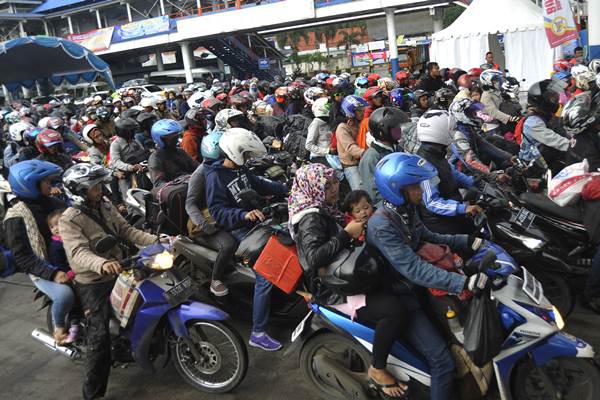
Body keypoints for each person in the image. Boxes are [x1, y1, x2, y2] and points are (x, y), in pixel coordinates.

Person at [368, 152, 488, 400]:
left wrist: (468, 242)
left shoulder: (405, 210)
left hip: (417, 289)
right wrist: (462, 282)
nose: (422, 192)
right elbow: (413, 268)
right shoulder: (382, 224)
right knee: (443, 361)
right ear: (396, 189)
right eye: (415, 187)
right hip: (401, 298)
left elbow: (428, 236)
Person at [290, 163, 408, 399]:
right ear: (313, 187)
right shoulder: (310, 219)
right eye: (328, 185)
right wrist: (345, 234)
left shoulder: (323, 209)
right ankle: (378, 368)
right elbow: (312, 259)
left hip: (345, 276)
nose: (335, 188)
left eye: (334, 182)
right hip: (333, 289)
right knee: (394, 310)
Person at [59, 163, 156, 400]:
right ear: (79, 191)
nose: (100, 188)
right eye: (95, 186)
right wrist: (101, 264)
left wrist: (160, 240)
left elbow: (128, 231)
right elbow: (78, 252)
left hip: (121, 268)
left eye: (100, 184)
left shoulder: (105, 204)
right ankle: (93, 394)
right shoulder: (69, 219)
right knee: (99, 337)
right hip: (93, 281)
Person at [204, 128, 288, 351]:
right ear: (234, 152)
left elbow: (260, 184)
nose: (249, 159)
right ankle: (258, 332)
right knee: (266, 276)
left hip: (257, 223)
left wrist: (289, 188)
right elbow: (217, 212)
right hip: (240, 230)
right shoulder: (215, 176)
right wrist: (243, 214)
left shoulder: (241, 169)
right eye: (246, 154)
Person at [4, 160, 75, 345]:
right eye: (46, 182)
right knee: (64, 295)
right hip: (42, 268)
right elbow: (22, 257)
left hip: (71, 259)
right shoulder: (15, 217)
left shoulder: (55, 203)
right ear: (29, 185)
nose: (50, 185)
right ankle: (59, 329)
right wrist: (52, 273)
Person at [185, 131, 237, 296]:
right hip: (206, 223)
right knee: (228, 245)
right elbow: (190, 203)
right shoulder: (201, 173)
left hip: (222, 214)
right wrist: (205, 225)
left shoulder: (226, 168)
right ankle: (216, 279)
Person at [416, 110, 482, 235]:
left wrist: (476, 182)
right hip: (442, 223)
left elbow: (453, 173)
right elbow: (432, 202)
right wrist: (463, 208)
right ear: (440, 132)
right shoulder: (424, 164)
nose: (453, 132)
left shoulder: (437, 154)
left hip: (454, 214)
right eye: (451, 129)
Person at [450, 98, 514, 175]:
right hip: (463, 174)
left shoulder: (468, 130)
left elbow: (486, 146)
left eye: (473, 112)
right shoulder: (458, 136)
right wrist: (492, 175)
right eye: (469, 112)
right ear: (460, 114)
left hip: (475, 169)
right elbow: (470, 161)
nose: (473, 115)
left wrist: (509, 157)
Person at [519, 79, 570, 175]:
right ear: (542, 100)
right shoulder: (533, 122)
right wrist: (577, 147)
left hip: (546, 158)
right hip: (534, 166)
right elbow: (555, 140)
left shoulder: (546, 115)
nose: (555, 100)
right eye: (552, 98)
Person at [358, 107, 407, 204]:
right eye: (394, 127)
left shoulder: (397, 149)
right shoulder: (371, 157)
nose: (399, 130)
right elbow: (373, 193)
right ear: (382, 131)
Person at [148, 119, 198, 189]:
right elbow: (159, 184)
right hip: (177, 192)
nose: (176, 140)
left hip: (192, 186)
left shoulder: (180, 152)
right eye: (172, 138)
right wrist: (181, 183)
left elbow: (196, 167)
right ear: (161, 139)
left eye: (176, 136)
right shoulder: (156, 158)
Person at [109, 118, 148, 198]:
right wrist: (130, 167)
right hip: (125, 173)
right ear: (126, 132)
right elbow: (116, 161)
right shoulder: (115, 144)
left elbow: (143, 152)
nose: (134, 132)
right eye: (132, 131)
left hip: (139, 168)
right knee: (129, 197)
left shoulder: (134, 141)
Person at [336, 95, 368, 190]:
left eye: (363, 110)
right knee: (360, 191)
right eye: (359, 110)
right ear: (350, 112)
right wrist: (365, 152)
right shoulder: (342, 127)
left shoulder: (361, 124)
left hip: (363, 161)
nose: (362, 112)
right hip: (352, 165)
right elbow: (350, 147)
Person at [305, 97, 332, 165]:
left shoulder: (330, 121)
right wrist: (327, 151)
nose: (330, 108)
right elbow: (308, 145)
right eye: (328, 106)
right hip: (319, 157)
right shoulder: (316, 123)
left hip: (331, 156)